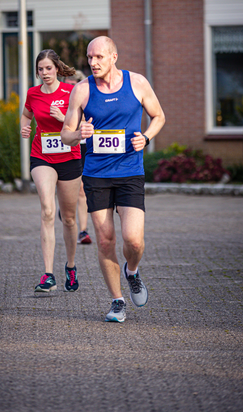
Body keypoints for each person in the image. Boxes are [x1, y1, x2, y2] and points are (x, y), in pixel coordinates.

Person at [61, 36, 165, 322]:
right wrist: (78, 135)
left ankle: (132, 271)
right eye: (89, 57)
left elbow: (158, 116)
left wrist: (145, 138)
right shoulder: (82, 91)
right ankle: (117, 301)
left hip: (130, 171)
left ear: (114, 57)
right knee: (105, 241)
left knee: (134, 240)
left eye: (99, 57)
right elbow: (65, 133)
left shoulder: (138, 83)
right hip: (96, 175)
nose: (93, 62)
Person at [21, 49, 82, 294]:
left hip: (69, 157)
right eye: (40, 69)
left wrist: (62, 119)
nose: (44, 73)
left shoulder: (71, 92)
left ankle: (71, 266)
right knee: (47, 210)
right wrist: (25, 128)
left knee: (68, 218)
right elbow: (26, 115)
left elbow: (82, 125)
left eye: (48, 68)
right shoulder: (32, 94)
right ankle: (48, 275)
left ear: (57, 68)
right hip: (42, 156)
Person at [64, 70, 92, 245]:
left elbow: (87, 124)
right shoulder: (60, 101)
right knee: (67, 191)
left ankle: (83, 231)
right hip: (63, 148)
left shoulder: (87, 100)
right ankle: (66, 209)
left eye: (73, 85)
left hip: (82, 148)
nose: (71, 88)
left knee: (82, 190)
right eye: (67, 85)